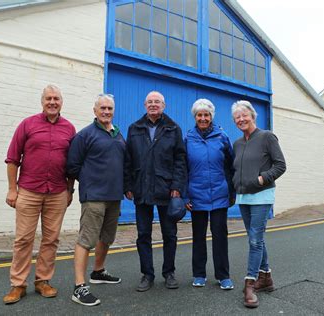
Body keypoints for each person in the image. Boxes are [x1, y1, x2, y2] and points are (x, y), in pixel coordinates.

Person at [3, 84, 76, 304]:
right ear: (42, 101)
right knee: (23, 239)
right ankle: (18, 285)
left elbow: (72, 164)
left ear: (61, 102)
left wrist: (70, 190)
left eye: (56, 98)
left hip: (57, 192)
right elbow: (13, 158)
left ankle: (43, 281)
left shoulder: (69, 129)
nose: (52, 102)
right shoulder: (27, 124)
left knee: (51, 239)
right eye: (48, 99)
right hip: (28, 190)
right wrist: (12, 189)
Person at [124, 91, 187, 292]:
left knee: (170, 234)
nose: (153, 105)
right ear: (145, 105)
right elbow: (128, 160)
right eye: (150, 102)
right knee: (143, 234)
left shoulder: (173, 128)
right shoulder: (134, 128)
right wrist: (128, 185)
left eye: (157, 102)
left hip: (166, 189)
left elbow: (180, 160)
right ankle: (147, 274)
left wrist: (177, 186)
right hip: (142, 188)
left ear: (163, 105)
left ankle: (169, 272)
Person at [66, 94, 125, 306]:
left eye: (109, 108)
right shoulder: (85, 135)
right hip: (94, 197)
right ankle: (79, 287)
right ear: (95, 111)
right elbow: (72, 166)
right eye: (102, 108)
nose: (106, 112)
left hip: (114, 196)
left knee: (107, 237)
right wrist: (90, 181)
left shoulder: (118, 134)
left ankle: (98, 271)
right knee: (86, 239)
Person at [231, 100, 286, 308]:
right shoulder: (237, 143)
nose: (241, 119)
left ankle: (250, 284)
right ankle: (267, 278)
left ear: (253, 116)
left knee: (255, 240)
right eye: (237, 117)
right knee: (256, 239)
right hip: (243, 197)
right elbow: (234, 169)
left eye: (244, 115)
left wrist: (263, 178)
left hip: (262, 195)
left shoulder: (267, 137)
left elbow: (281, 165)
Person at [184, 99, 235, 290]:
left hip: (219, 195)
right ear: (195, 117)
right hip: (196, 195)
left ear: (211, 116)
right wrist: (185, 195)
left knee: (220, 235)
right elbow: (183, 169)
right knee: (198, 236)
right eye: (199, 115)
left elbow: (231, 166)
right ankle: (198, 274)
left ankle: (223, 275)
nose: (203, 118)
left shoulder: (222, 136)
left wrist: (231, 190)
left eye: (206, 115)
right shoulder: (188, 138)